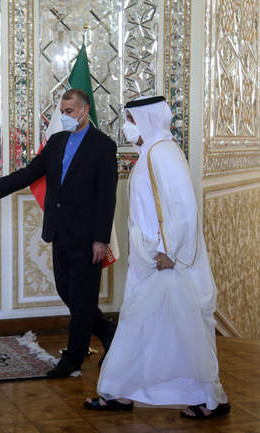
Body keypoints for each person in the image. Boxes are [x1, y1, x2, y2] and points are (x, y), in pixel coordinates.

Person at [83, 96, 230, 418]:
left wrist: (171, 251)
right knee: (141, 324)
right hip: (149, 258)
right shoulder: (151, 152)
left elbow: (185, 207)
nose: (127, 126)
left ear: (146, 120)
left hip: (166, 260)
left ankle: (210, 399)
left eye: (130, 120)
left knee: (183, 330)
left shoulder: (163, 153)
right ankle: (121, 393)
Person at [0, 88, 118, 378]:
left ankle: (73, 358)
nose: (64, 116)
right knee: (67, 290)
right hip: (59, 231)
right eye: (62, 111)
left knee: (83, 297)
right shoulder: (57, 141)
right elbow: (29, 173)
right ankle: (109, 333)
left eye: (69, 111)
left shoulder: (103, 146)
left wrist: (101, 239)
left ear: (84, 111)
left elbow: (107, 196)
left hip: (88, 236)